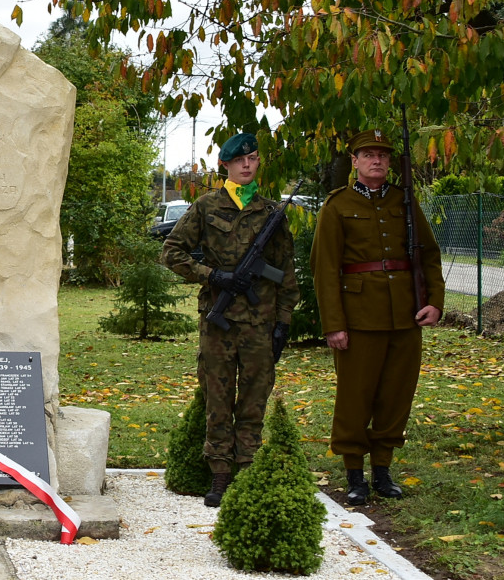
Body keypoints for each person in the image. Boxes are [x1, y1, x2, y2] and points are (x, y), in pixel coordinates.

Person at [160, 132, 299, 507]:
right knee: (217, 398)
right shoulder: (206, 206)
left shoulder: (272, 212)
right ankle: (220, 474)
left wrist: (284, 321)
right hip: (218, 322)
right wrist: (213, 276)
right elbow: (171, 252)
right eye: (240, 160)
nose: (247, 165)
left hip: (260, 322)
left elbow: (285, 271)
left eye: (253, 158)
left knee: (255, 398)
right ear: (225, 165)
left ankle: (248, 470)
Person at [310, 129, 444, 505]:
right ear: (354, 161)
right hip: (358, 318)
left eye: (383, 155)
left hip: (405, 314)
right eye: (368, 154)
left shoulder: (405, 202)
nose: (377, 160)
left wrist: (435, 301)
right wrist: (333, 324)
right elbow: (325, 269)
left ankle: (383, 470)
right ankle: (355, 473)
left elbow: (428, 255)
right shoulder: (337, 205)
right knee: (355, 397)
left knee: (396, 396)